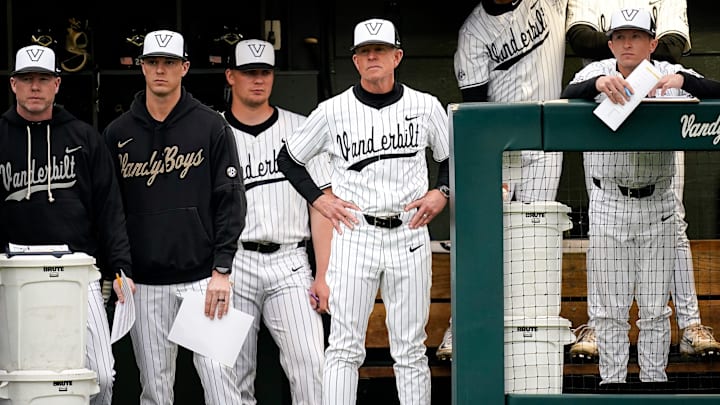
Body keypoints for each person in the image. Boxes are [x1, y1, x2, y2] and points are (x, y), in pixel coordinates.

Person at [277, 18, 450, 405]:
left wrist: (442, 191)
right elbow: (288, 159)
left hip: (409, 232)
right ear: (354, 60)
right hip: (356, 234)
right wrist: (321, 199)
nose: (372, 56)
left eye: (381, 50)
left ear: (397, 56)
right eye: (364, 51)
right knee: (343, 346)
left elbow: (451, 157)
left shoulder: (425, 105)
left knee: (410, 347)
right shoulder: (332, 111)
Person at [561, 8, 720, 384]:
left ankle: (654, 384)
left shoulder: (666, 73)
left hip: (658, 206)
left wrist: (683, 79)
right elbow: (568, 93)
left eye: (636, 36)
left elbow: (715, 90)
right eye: (620, 36)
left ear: (652, 42)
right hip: (609, 203)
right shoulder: (595, 71)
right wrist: (599, 85)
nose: (627, 43)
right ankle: (612, 384)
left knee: (654, 311)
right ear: (611, 42)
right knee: (610, 314)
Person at [102, 30, 246, 404]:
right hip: (144, 284)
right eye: (152, 62)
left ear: (184, 67)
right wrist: (120, 267)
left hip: (202, 279)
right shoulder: (117, 133)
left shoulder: (211, 125)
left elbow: (231, 201)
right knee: (154, 389)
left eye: (169, 63)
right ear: (142, 67)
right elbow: (109, 210)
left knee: (219, 380)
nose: (160, 70)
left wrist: (222, 270)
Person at [0, 44, 135, 405]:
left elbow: (109, 207)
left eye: (42, 79)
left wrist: (120, 267)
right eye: (26, 79)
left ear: (57, 84)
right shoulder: (0, 135)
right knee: (11, 382)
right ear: (13, 84)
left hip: (77, 268)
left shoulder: (83, 136)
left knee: (102, 377)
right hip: (12, 270)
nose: (34, 87)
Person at [438, 0, 569, 361]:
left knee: (533, 243)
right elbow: (476, 108)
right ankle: (460, 328)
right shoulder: (473, 32)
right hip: (502, 151)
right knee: (485, 242)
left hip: (545, 147)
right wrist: (485, 168)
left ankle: (531, 335)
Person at [223, 38, 332, 404]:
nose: (258, 80)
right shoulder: (212, 133)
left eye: (265, 72)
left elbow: (322, 206)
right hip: (232, 263)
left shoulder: (302, 129)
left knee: (313, 365)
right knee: (230, 373)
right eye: (249, 72)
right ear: (231, 77)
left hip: (290, 262)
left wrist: (323, 274)